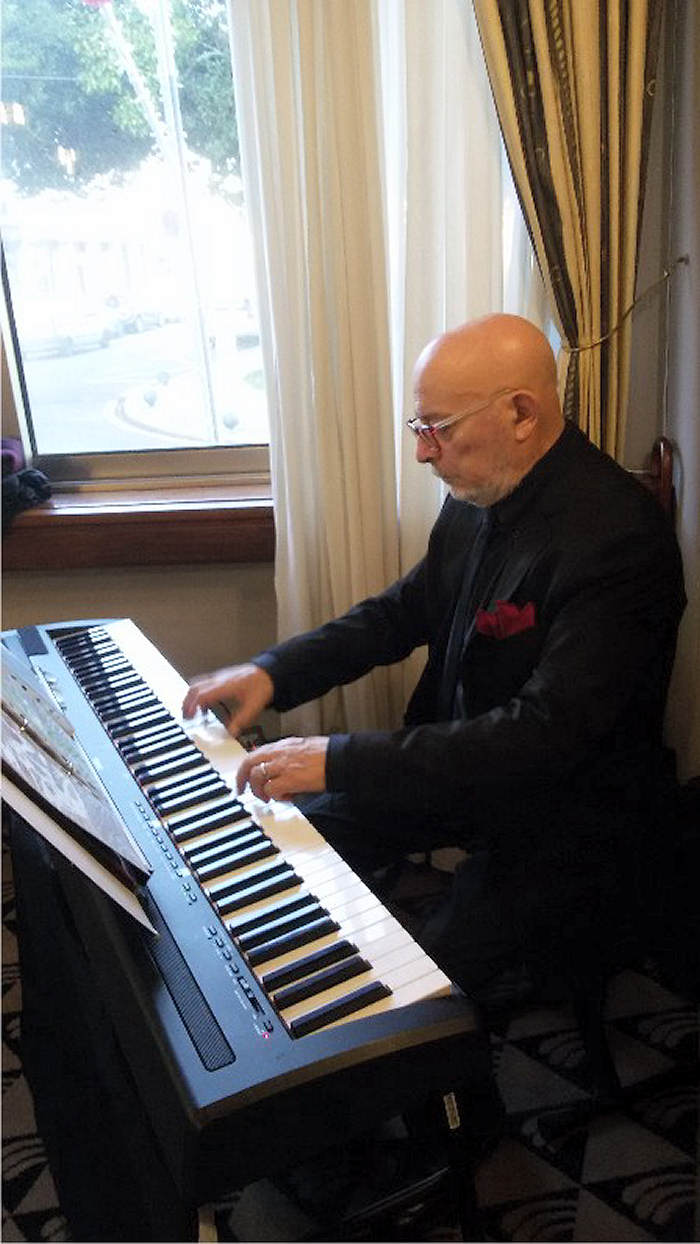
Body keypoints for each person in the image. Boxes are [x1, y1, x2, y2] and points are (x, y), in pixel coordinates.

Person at [183, 314, 686, 1001]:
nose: (423, 453)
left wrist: (338, 757)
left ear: (520, 414)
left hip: (568, 815)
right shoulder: (483, 487)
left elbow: (545, 735)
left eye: (437, 429)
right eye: (419, 427)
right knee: (290, 844)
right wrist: (274, 673)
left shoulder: (618, 539)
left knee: (423, 991)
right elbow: (403, 612)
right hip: (465, 768)